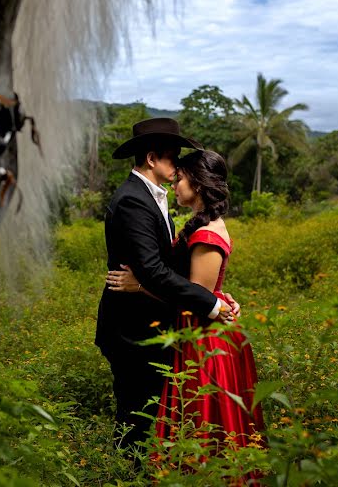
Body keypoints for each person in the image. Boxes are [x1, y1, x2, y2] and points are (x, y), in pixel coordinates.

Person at [107, 148, 265, 462]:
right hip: (194, 325)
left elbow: (195, 293)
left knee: (203, 416)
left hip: (204, 334)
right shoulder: (197, 223)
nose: (176, 184)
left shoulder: (207, 232)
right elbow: (198, 285)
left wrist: (139, 285)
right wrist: (218, 295)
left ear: (198, 181)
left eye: (181, 178)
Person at [95, 117, 240, 453]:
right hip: (133, 331)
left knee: (153, 416)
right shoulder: (133, 199)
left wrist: (212, 293)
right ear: (151, 159)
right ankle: (130, 475)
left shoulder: (152, 197)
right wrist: (211, 303)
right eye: (173, 158)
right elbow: (154, 271)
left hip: (155, 324)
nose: (177, 167)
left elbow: (167, 268)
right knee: (136, 419)